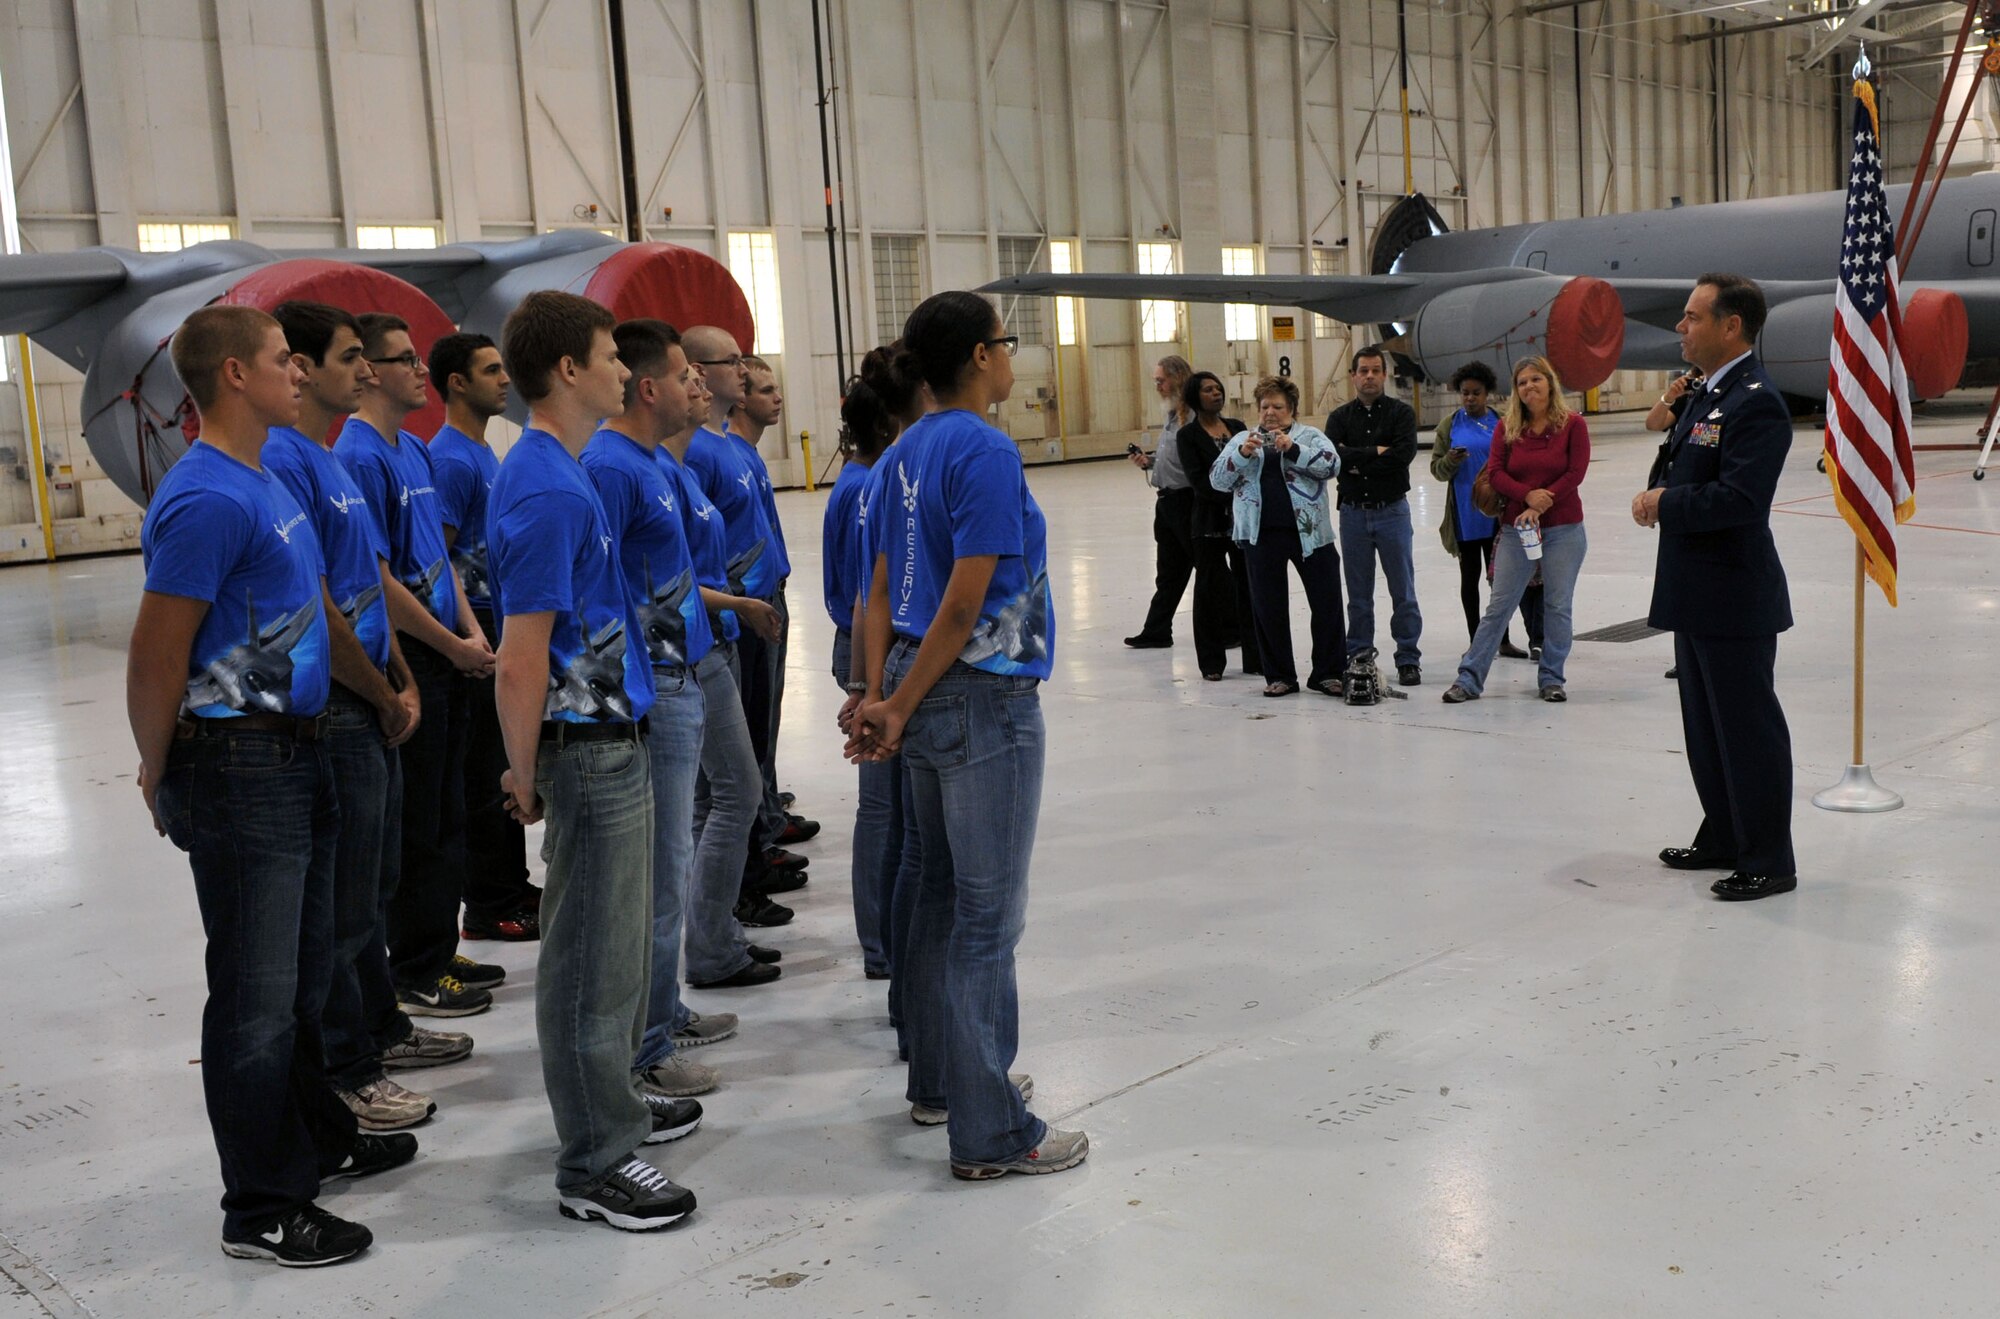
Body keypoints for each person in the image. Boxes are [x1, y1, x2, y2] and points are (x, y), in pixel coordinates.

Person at [129, 305, 414, 1267]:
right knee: (252, 996)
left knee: (294, 981)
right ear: (234, 378)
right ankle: (259, 1203)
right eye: (281, 359)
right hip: (240, 761)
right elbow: (156, 652)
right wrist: (161, 769)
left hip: (299, 750)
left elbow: (314, 614)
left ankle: (313, 1139)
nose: (298, 371)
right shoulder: (206, 496)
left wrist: (372, 689)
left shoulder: (265, 481)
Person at [848, 291, 1086, 1181]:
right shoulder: (982, 447)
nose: (1008, 354)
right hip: (980, 697)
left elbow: (881, 589)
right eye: (1003, 342)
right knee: (989, 917)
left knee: (944, 898)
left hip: (921, 686)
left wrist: (879, 693)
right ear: (980, 359)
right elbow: (963, 599)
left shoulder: (902, 451)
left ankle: (948, 1081)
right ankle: (991, 1130)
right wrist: (897, 706)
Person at [487, 289, 701, 1231]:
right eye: (613, 356)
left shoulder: (568, 472)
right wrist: (525, 772)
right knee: (587, 958)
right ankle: (595, 1160)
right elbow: (521, 651)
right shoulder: (540, 483)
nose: (627, 370)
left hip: (616, 734)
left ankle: (608, 1096)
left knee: (615, 955)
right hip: (585, 748)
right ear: (568, 370)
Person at [265, 301, 469, 1138]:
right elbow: (315, 603)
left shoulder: (328, 457)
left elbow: (365, 577)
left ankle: (379, 1027)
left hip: (375, 687)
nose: (366, 369)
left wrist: (396, 672)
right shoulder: (290, 460)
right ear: (305, 369)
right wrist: (382, 689)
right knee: (345, 903)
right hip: (341, 705)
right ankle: (349, 1069)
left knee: (374, 881)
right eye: (352, 355)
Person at [581, 319, 738, 1100]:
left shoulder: (644, 462)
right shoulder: (609, 467)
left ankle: (662, 1009)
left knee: (668, 866)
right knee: (661, 877)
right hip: (656, 686)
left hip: (680, 674)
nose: (696, 388)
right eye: (685, 376)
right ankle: (644, 1052)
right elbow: (598, 588)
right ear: (650, 387)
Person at [335, 314, 497, 1019]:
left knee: (449, 810)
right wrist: (444, 644)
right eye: (401, 360)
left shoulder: (414, 452)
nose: (415, 370)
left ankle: (437, 942)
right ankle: (417, 967)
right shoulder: (361, 456)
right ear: (368, 370)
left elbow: (440, 557)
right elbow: (378, 578)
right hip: (423, 659)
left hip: (451, 653)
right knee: (418, 825)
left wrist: (470, 630)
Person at [1634, 273, 1797, 902]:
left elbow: (1741, 498)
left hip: (1734, 594)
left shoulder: (1756, 401)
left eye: (1692, 317)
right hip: (1695, 591)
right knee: (1705, 728)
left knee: (1747, 729)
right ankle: (1725, 834)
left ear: (1731, 327)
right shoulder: (1706, 395)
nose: (1681, 326)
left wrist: (1664, 503)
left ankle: (1769, 857)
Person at [661, 368, 786, 987]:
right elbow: (661, 586)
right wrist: (735, 605)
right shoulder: (645, 468)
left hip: (712, 642)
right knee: (737, 791)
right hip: (687, 655)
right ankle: (711, 946)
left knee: (715, 798)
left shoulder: (685, 466)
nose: (707, 385)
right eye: (688, 376)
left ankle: (715, 937)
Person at [428, 331, 544, 942]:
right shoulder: (449, 459)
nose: (505, 380)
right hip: (477, 623)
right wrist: (471, 632)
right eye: (491, 370)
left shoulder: (481, 452)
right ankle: (490, 901)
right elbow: (437, 555)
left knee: (504, 760)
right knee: (485, 774)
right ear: (457, 383)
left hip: (494, 616)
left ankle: (511, 880)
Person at [681, 327, 799, 925]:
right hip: (734, 616)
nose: (746, 375)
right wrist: (737, 603)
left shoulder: (727, 446)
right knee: (735, 766)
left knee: (756, 743)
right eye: (734, 364)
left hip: (754, 607)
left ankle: (755, 850)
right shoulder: (697, 453)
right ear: (698, 371)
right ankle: (743, 880)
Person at [826, 344, 923, 979]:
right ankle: (884, 945)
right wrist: (866, 682)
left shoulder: (859, 480)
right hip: (870, 647)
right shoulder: (874, 484)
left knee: (887, 808)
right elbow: (870, 592)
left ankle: (884, 941)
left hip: (865, 645)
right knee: (887, 809)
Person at [1442, 355, 1590, 704]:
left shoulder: (1572, 425)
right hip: (1515, 530)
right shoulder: (1507, 427)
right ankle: (1469, 679)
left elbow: (1576, 472)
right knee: (1499, 606)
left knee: (1557, 606)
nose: (1529, 387)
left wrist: (1544, 501)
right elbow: (1495, 473)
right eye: (1522, 382)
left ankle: (1552, 678)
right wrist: (1526, 497)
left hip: (1563, 528)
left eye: (1536, 379)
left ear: (1549, 383)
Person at [730, 354, 819, 856]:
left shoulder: (748, 455)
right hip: (747, 603)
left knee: (767, 714)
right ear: (741, 396)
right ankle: (759, 825)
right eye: (765, 390)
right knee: (753, 719)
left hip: (769, 593)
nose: (777, 397)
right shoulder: (724, 453)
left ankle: (767, 806)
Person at [1209, 375, 1345, 699]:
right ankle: (1280, 675)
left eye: (1278, 406)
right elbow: (1216, 480)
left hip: (1311, 535)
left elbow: (1332, 465)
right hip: (1261, 537)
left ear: (1292, 409)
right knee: (1268, 607)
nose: (1270, 412)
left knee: (1326, 604)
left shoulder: (1310, 436)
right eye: (1265, 406)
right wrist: (1241, 453)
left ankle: (1328, 673)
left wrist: (1294, 448)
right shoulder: (1242, 439)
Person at [1325, 346, 1423, 685]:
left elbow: (1402, 457)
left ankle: (1408, 657)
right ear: (1353, 376)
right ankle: (1360, 655)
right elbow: (1335, 461)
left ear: (1384, 375)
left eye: (1375, 370)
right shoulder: (1339, 418)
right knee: (1358, 594)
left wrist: (1356, 459)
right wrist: (1374, 452)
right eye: (1363, 370)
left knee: (1403, 590)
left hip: (1392, 512)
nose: (1369, 376)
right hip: (1353, 516)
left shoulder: (1401, 415)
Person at [1428, 360, 1537, 659]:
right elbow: (1437, 470)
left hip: (1497, 516)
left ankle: (1502, 639)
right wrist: (1450, 460)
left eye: (1476, 393)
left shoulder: (1503, 422)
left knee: (1499, 581)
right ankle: (1477, 641)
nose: (1470, 398)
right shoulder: (1449, 426)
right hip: (1464, 516)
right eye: (1465, 393)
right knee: (1469, 579)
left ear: (1487, 393)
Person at [1172, 370, 1260, 680]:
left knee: (1249, 587)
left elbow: (1253, 466)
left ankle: (1255, 657)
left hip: (1243, 522)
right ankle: (1211, 662)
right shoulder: (1188, 435)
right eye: (1208, 390)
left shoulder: (1237, 428)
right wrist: (1231, 497)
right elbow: (1200, 480)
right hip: (1208, 522)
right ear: (1196, 397)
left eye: (1218, 388)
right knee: (1208, 591)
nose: (1216, 393)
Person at [1123, 354, 1197, 649]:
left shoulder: (1193, 417)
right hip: (1167, 503)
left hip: (1186, 502)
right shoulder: (1171, 415)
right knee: (1168, 573)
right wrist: (1149, 461)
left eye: (1161, 380)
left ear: (1177, 379)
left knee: (1209, 568)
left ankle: (1235, 627)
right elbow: (1173, 458)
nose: (1158, 386)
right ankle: (1157, 629)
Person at [1644, 366, 1704, 684]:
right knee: (1679, 582)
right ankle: (1685, 657)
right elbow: (1653, 423)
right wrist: (1670, 395)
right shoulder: (1687, 399)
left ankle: (1704, 654)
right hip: (1674, 499)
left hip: (1701, 501)